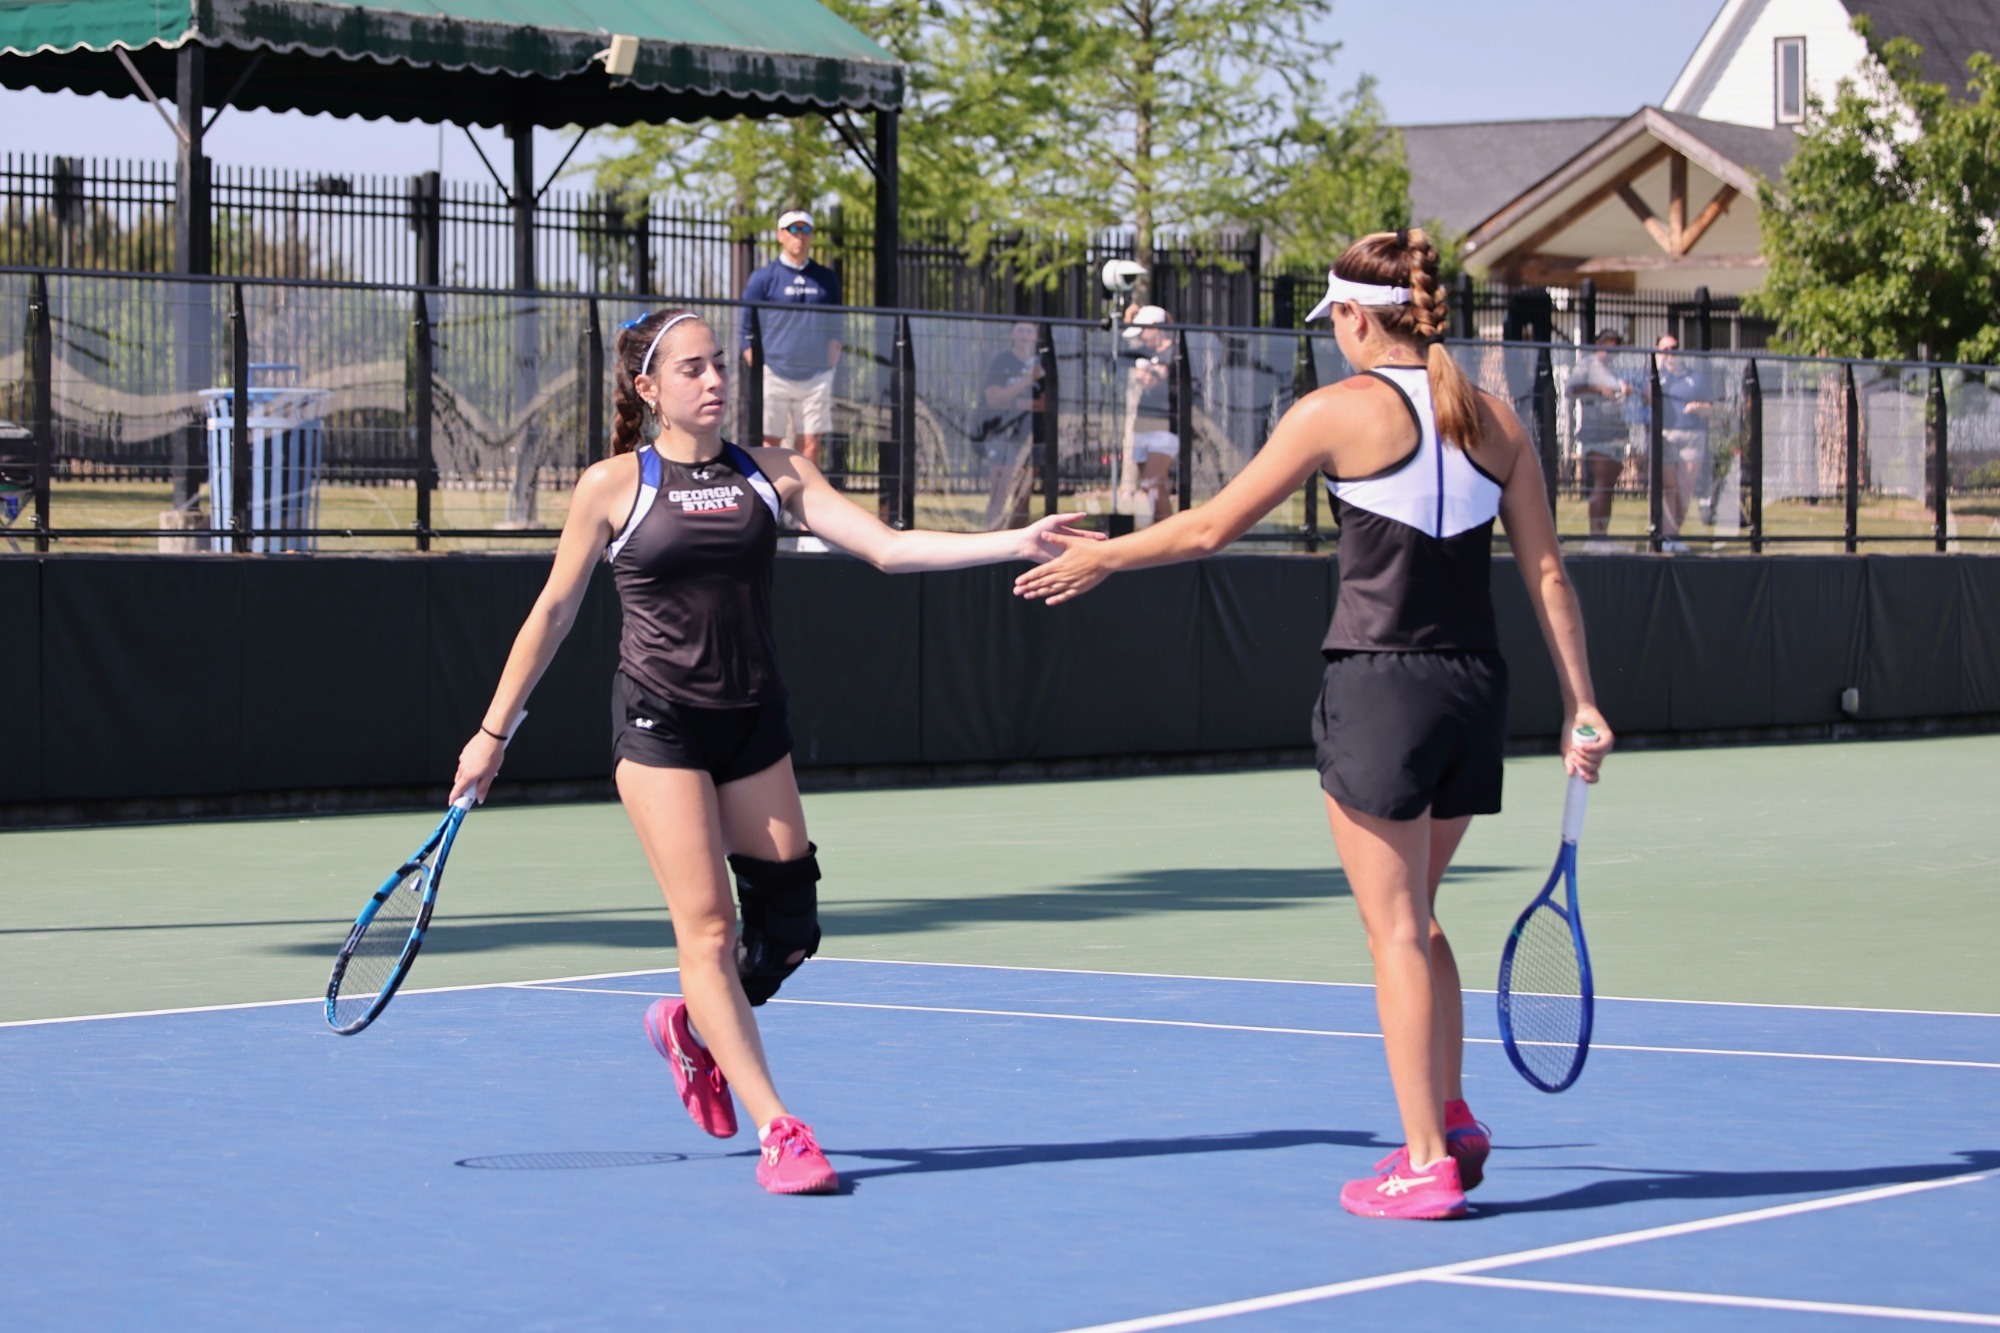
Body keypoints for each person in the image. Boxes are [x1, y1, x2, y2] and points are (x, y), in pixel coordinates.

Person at [1016, 229, 1612, 1221]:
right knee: (1416, 915)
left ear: (1348, 317)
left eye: (1331, 320)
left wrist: (1099, 558)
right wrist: (1582, 702)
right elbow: (1546, 571)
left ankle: (1423, 1159)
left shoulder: (1331, 412)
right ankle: (1453, 1119)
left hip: (1380, 691)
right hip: (1475, 691)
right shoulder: (1497, 419)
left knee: (1391, 933)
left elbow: (1208, 527)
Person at [451, 308, 1096, 1196]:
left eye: (720, 365)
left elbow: (888, 547)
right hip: (658, 727)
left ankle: (691, 1025)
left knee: (789, 932)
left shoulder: (774, 469)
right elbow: (553, 613)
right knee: (710, 928)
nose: (715, 381)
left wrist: (1014, 539)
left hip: (752, 721)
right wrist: (492, 734)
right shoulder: (613, 485)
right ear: (649, 389)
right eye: (692, 370)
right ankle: (781, 1128)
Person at [739, 209, 842, 465]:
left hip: (816, 375)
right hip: (774, 372)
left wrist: (830, 362)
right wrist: (756, 363)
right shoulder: (762, 278)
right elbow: (745, 326)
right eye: (793, 229)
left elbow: (836, 325)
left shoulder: (826, 278)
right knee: (769, 443)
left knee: (810, 444)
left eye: (805, 229)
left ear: (812, 235)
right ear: (780, 235)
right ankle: (771, 501)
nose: (800, 236)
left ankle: (804, 503)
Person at [1565, 329, 1634, 550]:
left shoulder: (1614, 369)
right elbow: (1570, 390)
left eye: (1615, 349)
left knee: (1609, 487)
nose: (1610, 353)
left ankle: (1603, 535)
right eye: (1607, 348)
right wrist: (1597, 389)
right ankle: (1594, 537)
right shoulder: (1587, 364)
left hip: (1616, 431)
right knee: (1601, 483)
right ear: (1598, 345)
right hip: (1595, 432)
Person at [977, 320, 1044, 530]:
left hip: (1031, 436)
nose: (1024, 335)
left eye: (1029, 331)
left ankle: (1018, 546)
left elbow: (1046, 403)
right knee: (999, 489)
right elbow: (993, 397)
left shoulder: (1041, 364)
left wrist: (1015, 402)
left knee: (1023, 496)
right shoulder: (1001, 361)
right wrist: (1025, 383)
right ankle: (991, 539)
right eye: (1020, 330)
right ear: (1012, 335)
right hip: (1001, 433)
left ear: (1035, 335)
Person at [1656, 333, 1713, 552]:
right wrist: (1660, 367)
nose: (1671, 354)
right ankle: (1667, 535)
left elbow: (1709, 406)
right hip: (1667, 434)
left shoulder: (1695, 376)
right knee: (1668, 487)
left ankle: (1673, 535)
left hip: (1692, 435)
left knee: (1684, 489)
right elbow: (1645, 398)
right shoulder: (1656, 376)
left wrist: (1699, 408)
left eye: (1675, 348)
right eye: (1665, 350)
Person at [1122, 304, 1179, 523]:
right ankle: (1168, 541)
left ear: (1155, 327)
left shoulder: (1175, 351)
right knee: (1159, 489)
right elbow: (1121, 348)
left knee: (1150, 484)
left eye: (1143, 332)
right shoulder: (1148, 352)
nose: (1141, 339)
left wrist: (1153, 379)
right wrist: (1127, 320)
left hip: (1166, 427)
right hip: (1143, 425)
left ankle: (1159, 536)